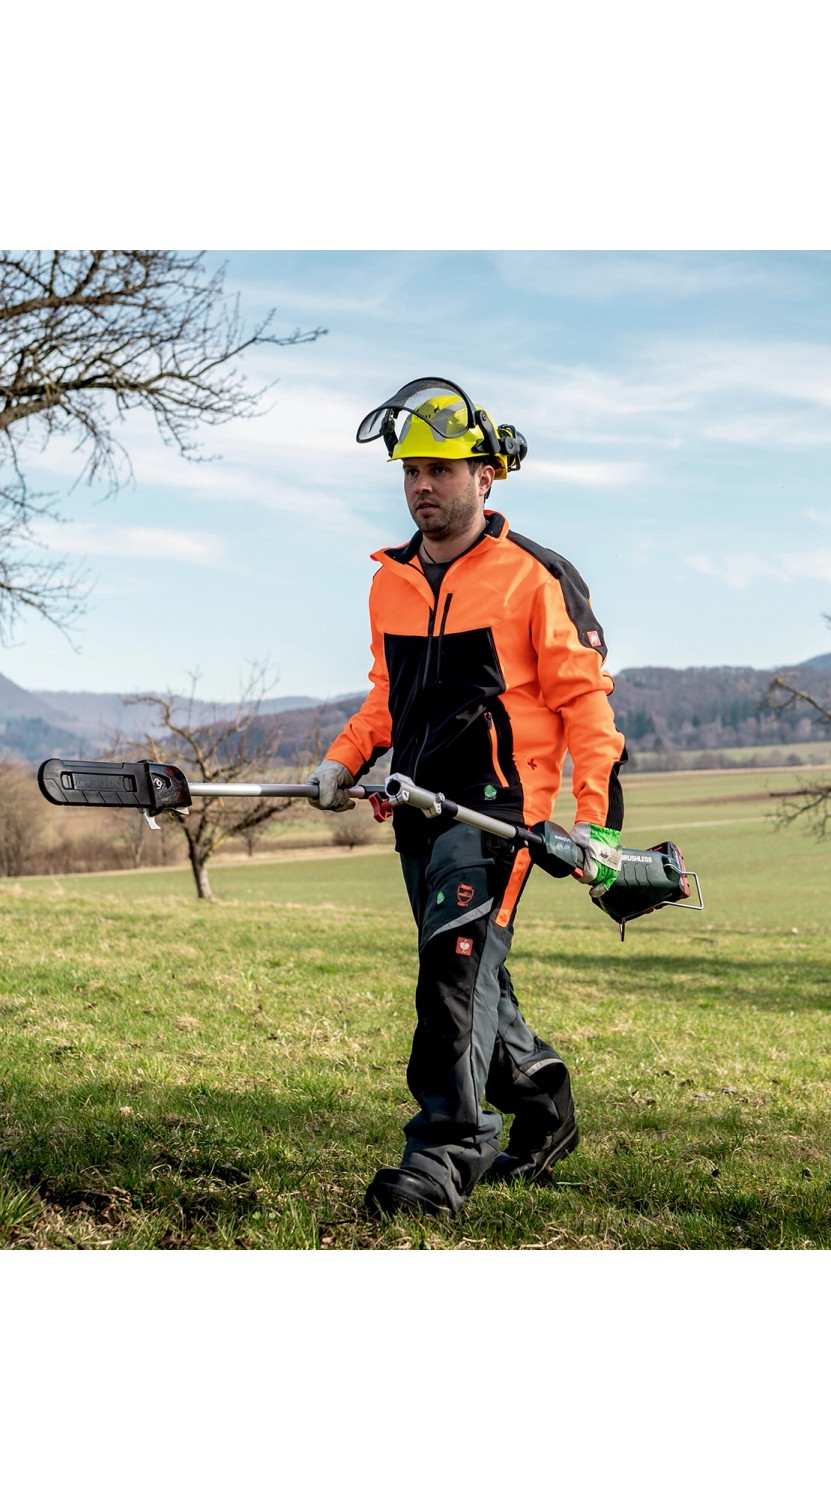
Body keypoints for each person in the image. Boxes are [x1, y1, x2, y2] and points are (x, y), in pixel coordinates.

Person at [311, 377, 627, 1221]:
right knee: (471, 970)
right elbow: (390, 697)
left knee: (452, 977)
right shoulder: (390, 582)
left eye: (441, 470)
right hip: (418, 812)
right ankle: (542, 1097)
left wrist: (595, 823)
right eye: (412, 471)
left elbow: (586, 707)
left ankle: (444, 1157)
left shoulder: (533, 578)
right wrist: (343, 760)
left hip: (498, 818)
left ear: (485, 475)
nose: (423, 486)